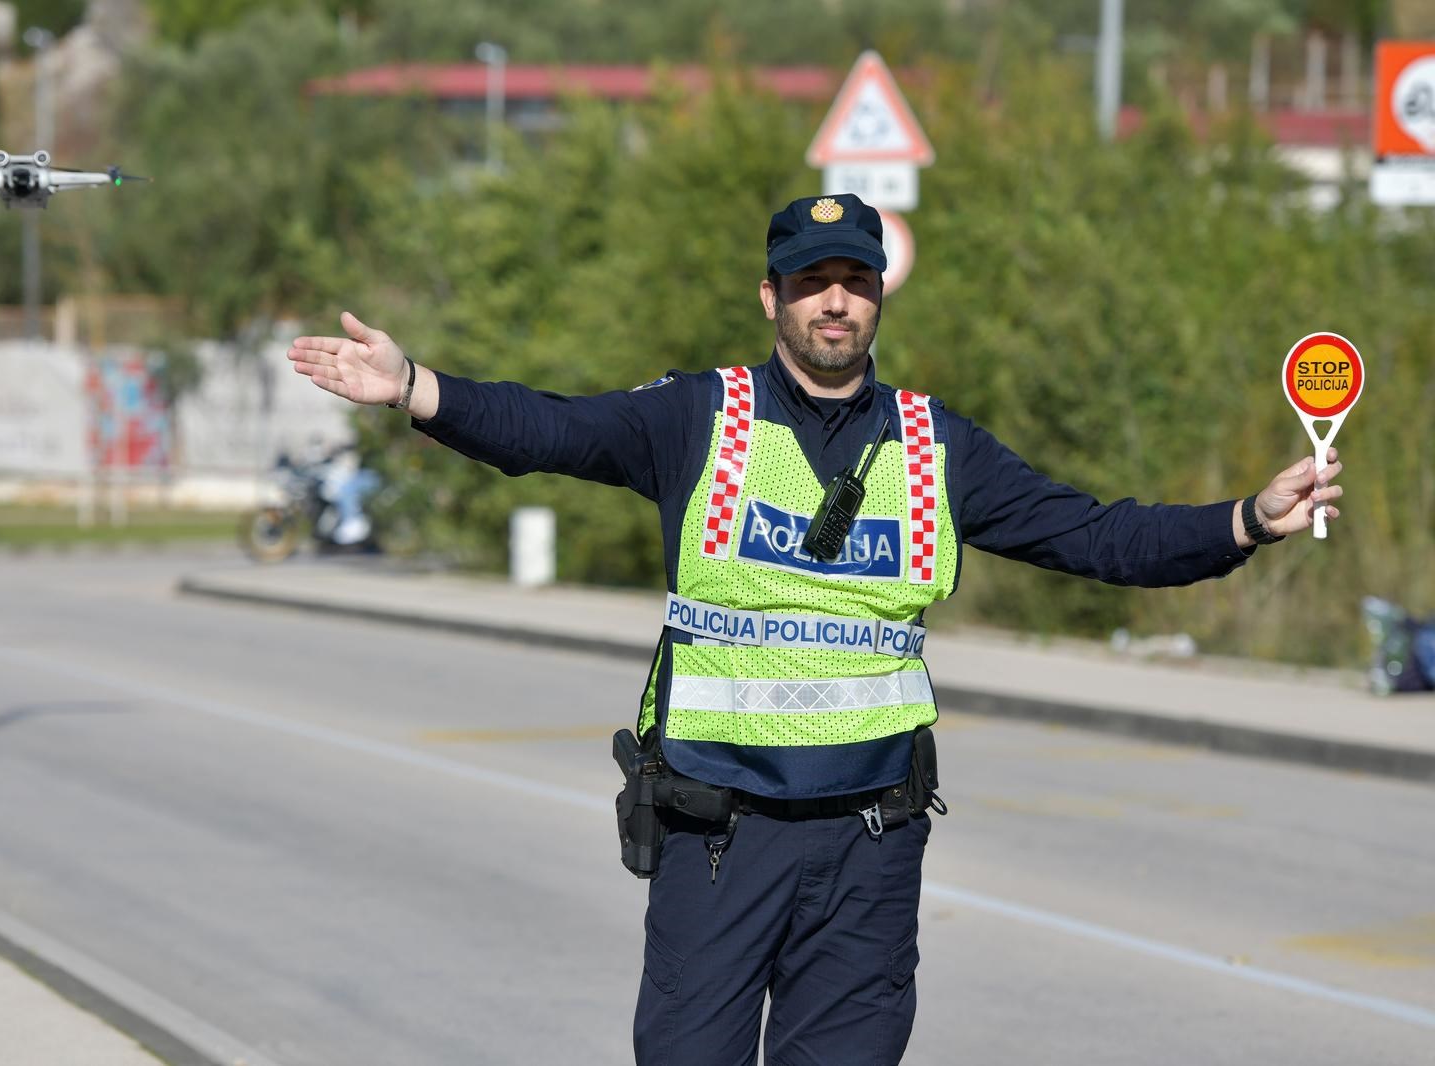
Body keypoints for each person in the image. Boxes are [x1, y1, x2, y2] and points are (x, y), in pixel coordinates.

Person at [286, 192, 1342, 1065]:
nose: (833, 303)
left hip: (869, 846)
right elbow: (552, 428)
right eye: (809, 282)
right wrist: (416, 389)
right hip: (718, 838)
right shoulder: (700, 418)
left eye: (854, 281)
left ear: (879, 294)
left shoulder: (934, 444)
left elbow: (1098, 537)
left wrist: (1245, 520)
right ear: (771, 297)